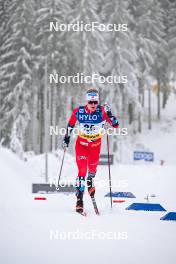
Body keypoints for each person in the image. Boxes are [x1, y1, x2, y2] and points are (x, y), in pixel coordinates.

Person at [62, 88, 119, 213]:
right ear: (87, 101)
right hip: (81, 145)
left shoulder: (103, 112)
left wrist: (109, 114)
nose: (93, 105)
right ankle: (79, 200)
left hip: (95, 147)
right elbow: (70, 125)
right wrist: (66, 138)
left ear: (98, 102)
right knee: (82, 170)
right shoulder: (79, 111)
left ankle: (90, 179)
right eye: (91, 102)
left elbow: (116, 125)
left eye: (95, 102)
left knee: (92, 170)